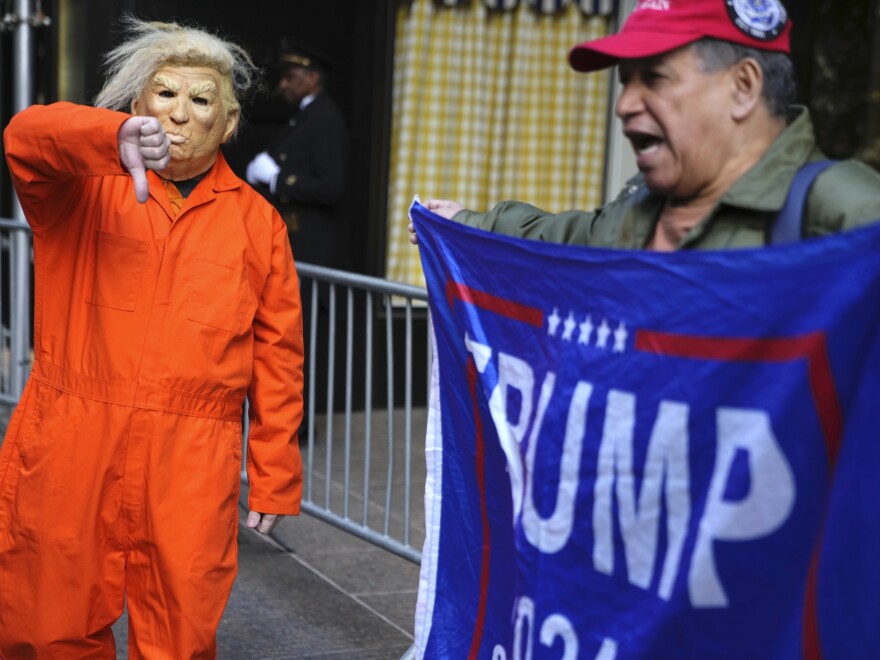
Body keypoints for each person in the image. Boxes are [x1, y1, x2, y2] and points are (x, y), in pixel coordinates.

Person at [0, 17, 304, 657]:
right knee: (46, 617)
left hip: (191, 456)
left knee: (181, 623)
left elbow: (278, 356)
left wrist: (273, 470)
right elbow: (25, 137)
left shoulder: (258, 224)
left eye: (201, 100)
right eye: (163, 94)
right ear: (135, 107)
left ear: (227, 124)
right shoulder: (81, 191)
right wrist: (109, 140)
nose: (179, 113)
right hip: (73, 433)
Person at [411, 0, 880, 248]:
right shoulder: (642, 209)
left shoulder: (850, 216)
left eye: (654, 78)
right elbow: (560, 242)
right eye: (624, 82)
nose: (624, 105)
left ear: (743, 87)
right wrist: (464, 224)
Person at [246, 44, 348, 268]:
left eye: (291, 77)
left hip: (310, 247)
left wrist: (276, 179)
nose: (283, 84)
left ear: (313, 78)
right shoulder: (305, 115)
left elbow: (330, 186)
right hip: (292, 242)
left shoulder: (325, 117)